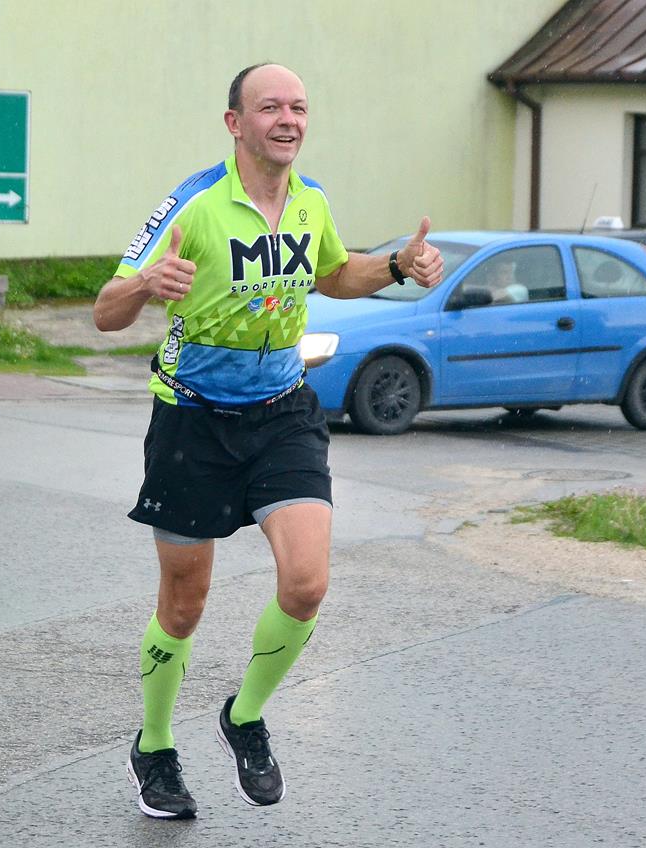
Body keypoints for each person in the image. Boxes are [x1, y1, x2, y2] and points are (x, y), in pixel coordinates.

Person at [93, 63, 443, 820]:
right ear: (235, 123)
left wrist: (396, 265)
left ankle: (244, 716)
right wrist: (147, 285)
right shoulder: (194, 204)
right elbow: (104, 311)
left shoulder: (311, 202)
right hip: (191, 419)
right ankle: (155, 745)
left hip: (283, 411)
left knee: (307, 583)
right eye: (270, 107)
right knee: (184, 604)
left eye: (299, 108)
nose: (288, 120)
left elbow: (334, 275)